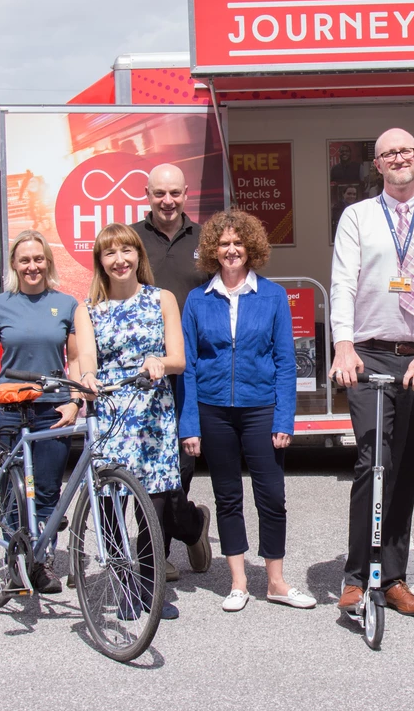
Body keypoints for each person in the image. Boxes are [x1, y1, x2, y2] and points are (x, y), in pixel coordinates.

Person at [330, 127, 414, 618]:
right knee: (371, 459)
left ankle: (393, 577)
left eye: (405, 150)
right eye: (388, 154)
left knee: (406, 467)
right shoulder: (358, 217)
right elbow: (342, 282)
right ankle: (355, 576)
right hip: (368, 354)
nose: (398, 159)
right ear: (378, 165)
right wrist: (343, 345)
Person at [179, 210, 313, 612]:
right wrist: (190, 426)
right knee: (227, 496)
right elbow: (187, 366)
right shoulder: (197, 300)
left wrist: (283, 417)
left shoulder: (271, 295)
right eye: (223, 244)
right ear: (212, 251)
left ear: (250, 248)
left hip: (260, 409)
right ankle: (238, 582)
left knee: (271, 497)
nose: (231, 250)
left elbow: (286, 361)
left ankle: (275, 581)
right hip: (213, 409)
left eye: (238, 243)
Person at [74, 223, 185, 620]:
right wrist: (87, 376)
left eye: (126, 251)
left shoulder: (162, 299)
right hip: (110, 412)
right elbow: (87, 356)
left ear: (139, 255)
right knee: (109, 504)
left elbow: (179, 358)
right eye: (110, 253)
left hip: (152, 414)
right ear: (100, 262)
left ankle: (150, 589)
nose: (119, 260)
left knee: (152, 509)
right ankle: (123, 586)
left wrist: (160, 362)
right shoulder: (87, 309)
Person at [0, 229, 80, 594]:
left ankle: (42, 562)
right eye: (24, 260)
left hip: (52, 409)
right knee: (14, 491)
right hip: (8, 408)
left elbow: (77, 359)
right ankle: (16, 563)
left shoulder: (66, 304)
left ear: (47, 263)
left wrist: (74, 400)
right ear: (15, 266)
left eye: (38, 259)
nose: (32, 266)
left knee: (48, 491)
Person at [131, 162, 213, 582]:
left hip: (190, 369)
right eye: (159, 193)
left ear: (185, 195)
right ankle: (162, 548)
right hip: (140, 373)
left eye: (175, 194)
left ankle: (189, 525)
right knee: (143, 468)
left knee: (179, 465)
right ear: (147, 194)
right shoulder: (131, 240)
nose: (167, 201)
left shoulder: (205, 240)